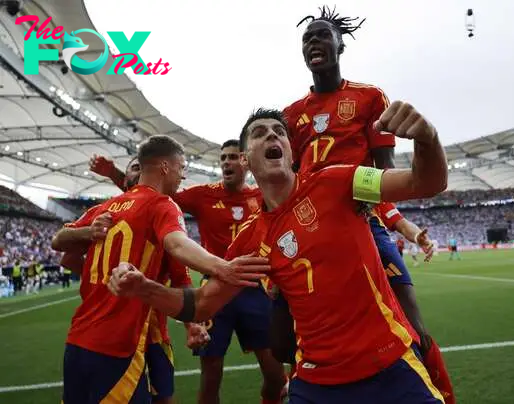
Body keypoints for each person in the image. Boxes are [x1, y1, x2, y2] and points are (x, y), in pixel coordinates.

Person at [108, 103, 448, 403]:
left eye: (279, 133)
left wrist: (427, 137)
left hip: (389, 365)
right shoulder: (250, 239)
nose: (272, 137)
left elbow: (425, 182)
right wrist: (144, 289)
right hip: (316, 382)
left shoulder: (342, 181)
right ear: (245, 158)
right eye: (259, 133)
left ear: (290, 149)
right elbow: (202, 304)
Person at [280, 7, 452, 401]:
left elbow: (387, 175)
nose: (313, 43)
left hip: (360, 221)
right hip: (307, 232)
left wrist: (397, 224)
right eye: (307, 39)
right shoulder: (291, 116)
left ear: (340, 44)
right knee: (288, 340)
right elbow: (288, 183)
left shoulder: (369, 98)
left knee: (411, 321)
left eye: (321, 35)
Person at [51, 135, 269, 404]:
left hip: (79, 337)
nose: (182, 175)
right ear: (166, 166)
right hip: (120, 342)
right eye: (182, 167)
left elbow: (62, 247)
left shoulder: (104, 208)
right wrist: (223, 267)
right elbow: (177, 244)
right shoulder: (162, 205)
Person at [60, 156, 209, 404]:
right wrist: (103, 282)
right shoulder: (105, 212)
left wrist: (189, 324)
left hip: (152, 330)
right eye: (134, 168)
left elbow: (180, 276)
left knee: (163, 396)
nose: (139, 173)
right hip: (116, 331)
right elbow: (67, 256)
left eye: (142, 167)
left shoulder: (157, 210)